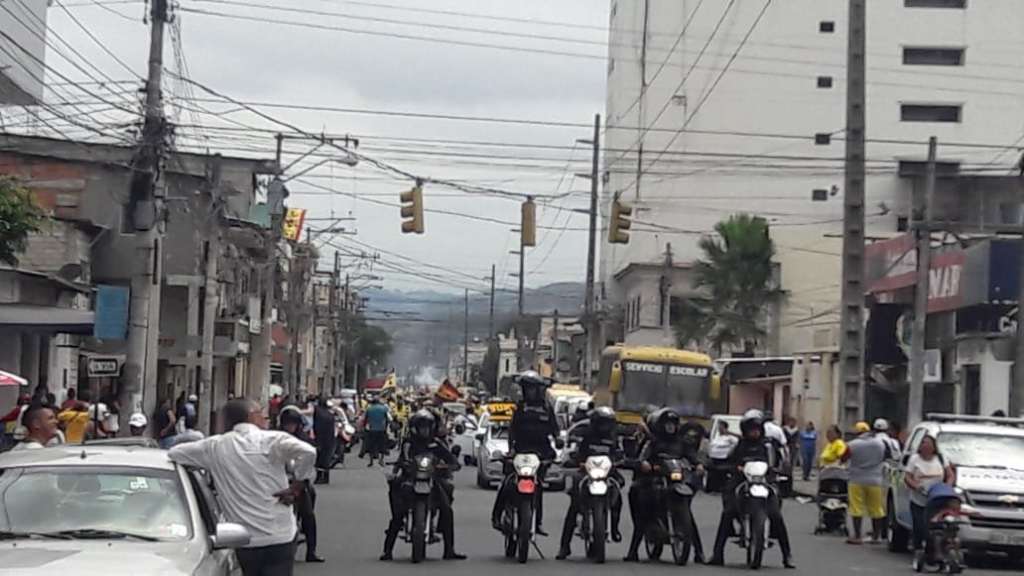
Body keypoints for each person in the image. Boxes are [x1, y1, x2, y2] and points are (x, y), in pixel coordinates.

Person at [168, 398, 316, 576]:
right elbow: (308, 452)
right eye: (262, 414)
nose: (265, 418)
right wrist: (298, 485)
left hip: (244, 539)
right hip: (280, 535)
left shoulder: (214, 447)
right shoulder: (272, 439)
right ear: (252, 416)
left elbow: (174, 453)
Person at [708, 411, 795, 569]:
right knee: (728, 512)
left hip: (765, 483)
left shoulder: (768, 446)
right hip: (742, 481)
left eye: (756, 428)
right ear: (745, 430)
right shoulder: (740, 445)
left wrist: (777, 470)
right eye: (750, 429)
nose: (754, 431)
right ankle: (717, 553)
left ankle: (787, 555)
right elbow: (730, 461)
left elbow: (778, 462)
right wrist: (736, 468)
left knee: (776, 515)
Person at [380, 409, 465, 561]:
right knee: (398, 505)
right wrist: (402, 466)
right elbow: (402, 458)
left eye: (427, 427)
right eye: (421, 427)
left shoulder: (436, 444)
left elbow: (450, 459)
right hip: (411, 478)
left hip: (432, 478)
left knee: (447, 507)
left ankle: (449, 549)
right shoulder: (408, 443)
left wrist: (451, 464)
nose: (424, 430)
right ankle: (388, 549)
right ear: (415, 428)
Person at [626, 408, 706, 563]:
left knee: (687, 514)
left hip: (677, 481)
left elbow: (693, 456)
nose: (670, 428)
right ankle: (633, 551)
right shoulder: (652, 442)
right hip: (654, 481)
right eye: (666, 424)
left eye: (672, 424)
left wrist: (699, 465)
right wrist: (644, 464)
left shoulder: (682, 442)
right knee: (643, 509)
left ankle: (699, 552)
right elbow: (641, 458)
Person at [491, 371, 558, 536]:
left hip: (541, 453)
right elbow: (512, 431)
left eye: (533, 388)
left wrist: (558, 441)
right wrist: (510, 450)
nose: (530, 392)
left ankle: (538, 522)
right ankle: (497, 516)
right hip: (521, 451)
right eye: (527, 388)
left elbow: (555, 430)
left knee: (539, 486)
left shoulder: (547, 408)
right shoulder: (520, 408)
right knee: (507, 483)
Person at [557, 406, 624, 560]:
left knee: (618, 498)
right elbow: (576, 452)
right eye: (602, 423)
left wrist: (620, 461)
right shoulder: (585, 435)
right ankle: (564, 546)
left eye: (608, 423)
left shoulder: (613, 438)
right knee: (574, 505)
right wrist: (576, 460)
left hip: (608, 473)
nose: (605, 427)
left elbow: (619, 454)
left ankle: (614, 529)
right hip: (586, 472)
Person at [279, 408, 325, 563]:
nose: (289, 427)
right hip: (281, 480)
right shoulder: (277, 438)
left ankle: (311, 552)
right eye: (287, 424)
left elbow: (311, 455)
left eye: (292, 424)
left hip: (300, 481)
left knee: (309, 515)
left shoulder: (303, 439)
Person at [903, 435, 953, 560]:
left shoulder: (941, 459)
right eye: (923, 443)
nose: (924, 445)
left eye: (927, 443)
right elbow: (907, 476)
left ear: (933, 446)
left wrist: (947, 487)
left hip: (937, 499)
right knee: (920, 527)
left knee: (936, 527)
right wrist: (915, 486)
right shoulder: (915, 459)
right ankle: (918, 550)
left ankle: (936, 551)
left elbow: (950, 475)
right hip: (919, 499)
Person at [842, 421, 888, 544]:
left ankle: (857, 536)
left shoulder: (852, 444)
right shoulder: (880, 444)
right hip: (875, 480)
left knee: (856, 508)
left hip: (856, 479)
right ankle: (876, 536)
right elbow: (885, 457)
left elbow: (843, 458)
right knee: (876, 508)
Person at [312, 396, 337, 484]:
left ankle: (319, 477)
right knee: (326, 458)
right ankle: (326, 477)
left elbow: (316, 426)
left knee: (319, 459)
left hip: (320, 437)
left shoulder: (317, 411)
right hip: (330, 438)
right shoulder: (330, 414)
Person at [362, 395, 391, 466]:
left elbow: (365, 420)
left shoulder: (369, 409)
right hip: (381, 429)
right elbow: (388, 419)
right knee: (382, 446)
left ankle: (371, 461)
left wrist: (365, 427)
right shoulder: (384, 408)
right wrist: (386, 427)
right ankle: (381, 460)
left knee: (371, 445)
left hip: (372, 429)